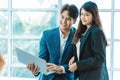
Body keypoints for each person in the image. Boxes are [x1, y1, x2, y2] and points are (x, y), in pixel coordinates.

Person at [27, 3, 78, 80]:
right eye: (62, 17)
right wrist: (36, 71)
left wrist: (61, 68)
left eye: (68, 19)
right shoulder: (47, 35)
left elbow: (80, 61)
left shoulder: (79, 37)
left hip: (67, 77)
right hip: (47, 78)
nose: (64, 21)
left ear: (74, 21)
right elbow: (42, 60)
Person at [68, 1, 109, 80]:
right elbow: (86, 51)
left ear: (94, 16)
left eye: (87, 15)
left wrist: (78, 65)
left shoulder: (97, 32)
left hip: (94, 77)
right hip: (84, 76)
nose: (83, 17)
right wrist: (75, 57)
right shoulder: (83, 31)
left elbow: (99, 59)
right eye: (82, 14)